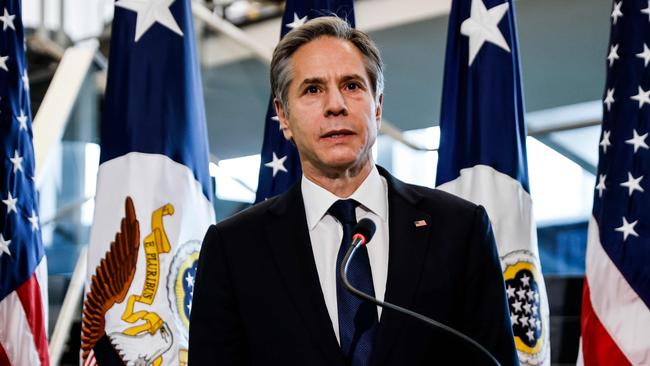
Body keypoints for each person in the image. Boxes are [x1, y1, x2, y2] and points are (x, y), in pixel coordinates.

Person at [189, 16, 518, 365]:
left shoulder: (460, 227)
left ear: (376, 107)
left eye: (351, 86)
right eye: (313, 89)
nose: (336, 105)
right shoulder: (235, 248)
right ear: (283, 117)